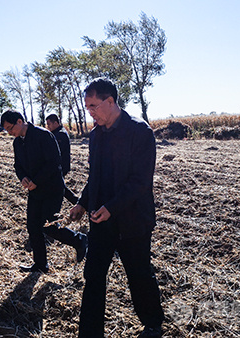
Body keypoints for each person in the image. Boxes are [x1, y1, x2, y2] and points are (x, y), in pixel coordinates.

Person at [70, 78, 164, 337]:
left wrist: (111, 207)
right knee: (94, 276)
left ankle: (153, 323)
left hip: (133, 221)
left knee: (139, 274)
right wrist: (82, 202)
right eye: (87, 106)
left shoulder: (139, 132)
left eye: (93, 106)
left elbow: (140, 182)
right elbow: (95, 176)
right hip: (101, 220)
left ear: (110, 102)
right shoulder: (96, 135)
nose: (90, 112)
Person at [1, 110, 88, 273]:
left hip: (52, 188)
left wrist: (36, 181)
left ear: (20, 121)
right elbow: (17, 166)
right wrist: (23, 178)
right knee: (33, 226)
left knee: (49, 226)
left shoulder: (43, 135)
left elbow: (54, 164)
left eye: (10, 128)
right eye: (6, 130)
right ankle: (40, 264)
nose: (9, 133)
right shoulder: (17, 143)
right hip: (34, 190)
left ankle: (79, 240)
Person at [45, 114, 79, 204]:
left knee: (57, 186)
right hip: (59, 165)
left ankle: (77, 202)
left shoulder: (60, 135)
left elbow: (56, 153)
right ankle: (77, 202)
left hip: (61, 166)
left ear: (55, 123)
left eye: (49, 124)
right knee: (57, 186)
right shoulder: (57, 133)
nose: (48, 127)